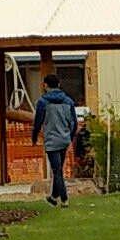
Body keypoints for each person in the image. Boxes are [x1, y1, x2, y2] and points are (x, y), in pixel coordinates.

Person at [31, 73, 78, 206]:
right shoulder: (68, 101)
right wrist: (70, 137)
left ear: (45, 85)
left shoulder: (42, 102)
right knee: (59, 169)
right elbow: (74, 122)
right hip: (64, 139)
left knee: (57, 171)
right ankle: (53, 196)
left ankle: (64, 199)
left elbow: (38, 122)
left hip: (51, 140)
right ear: (59, 85)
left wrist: (34, 137)